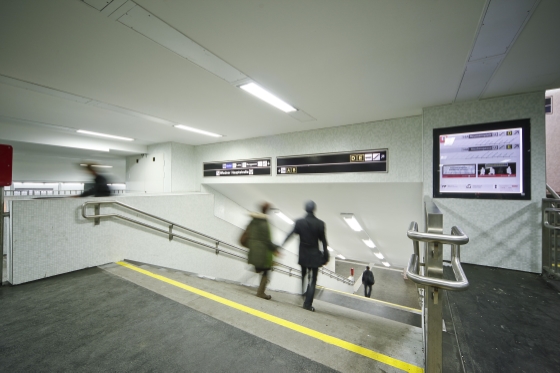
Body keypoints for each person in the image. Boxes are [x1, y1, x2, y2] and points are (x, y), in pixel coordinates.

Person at [283, 200, 329, 312]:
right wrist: (326, 254)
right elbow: (324, 241)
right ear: (314, 209)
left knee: (303, 274)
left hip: (303, 253)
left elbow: (291, 234)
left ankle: (303, 293)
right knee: (313, 279)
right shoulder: (320, 223)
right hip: (314, 254)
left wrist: (281, 244)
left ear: (305, 209)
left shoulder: (299, 222)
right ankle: (307, 304)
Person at [243, 202, 279, 300]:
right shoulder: (265, 224)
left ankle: (255, 273)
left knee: (260, 268)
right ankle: (261, 292)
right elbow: (267, 241)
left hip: (253, 251)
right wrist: (275, 249)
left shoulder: (253, 221)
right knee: (267, 271)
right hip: (262, 253)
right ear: (267, 211)